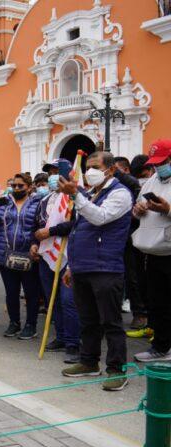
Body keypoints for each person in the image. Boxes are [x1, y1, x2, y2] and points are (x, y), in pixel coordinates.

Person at [60, 152, 132, 391]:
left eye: (94, 167)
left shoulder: (120, 194)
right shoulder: (91, 193)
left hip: (106, 268)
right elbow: (79, 230)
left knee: (110, 321)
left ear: (110, 170)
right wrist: (71, 265)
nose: (89, 171)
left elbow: (100, 218)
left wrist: (75, 196)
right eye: (87, 167)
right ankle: (89, 362)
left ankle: (117, 370)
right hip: (83, 267)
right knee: (88, 320)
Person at [0, 173, 42, 340]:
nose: (16, 188)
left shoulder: (37, 203)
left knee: (31, 292)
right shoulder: (3, 203)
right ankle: (14, 323)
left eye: (20, 186)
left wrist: (35, 244)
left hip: (29, 254)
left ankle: (31, 325)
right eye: (14, 185)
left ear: (29, 187)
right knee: (11, 292)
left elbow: (40, 226)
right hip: (5, 254)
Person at [31, 173, 81, 364]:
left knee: (68, 301)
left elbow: (76, 224)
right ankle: (60, 337)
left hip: (69, 254)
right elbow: (35, 225)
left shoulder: (76, 198)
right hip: (47, 253)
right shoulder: (43, 200)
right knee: (53, 299)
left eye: (57, 174)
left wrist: (51, 231)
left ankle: (73, 343)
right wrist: (34, 242)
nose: (53, 181)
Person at [132, 140, 171, 362]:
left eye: (163, 162)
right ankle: (161, 346)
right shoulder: (151, 182)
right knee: (158, 303)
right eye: (155, 163)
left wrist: (168, 209)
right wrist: (138, 210)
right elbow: (137, 209)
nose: (158, 168)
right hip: (153, 250)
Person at [126, 154, 153, 337]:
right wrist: (137, 210)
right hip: (134, 238)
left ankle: (147, 317)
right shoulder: (143, 186)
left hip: (156, 242)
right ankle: (147, 320)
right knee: (135, 278)